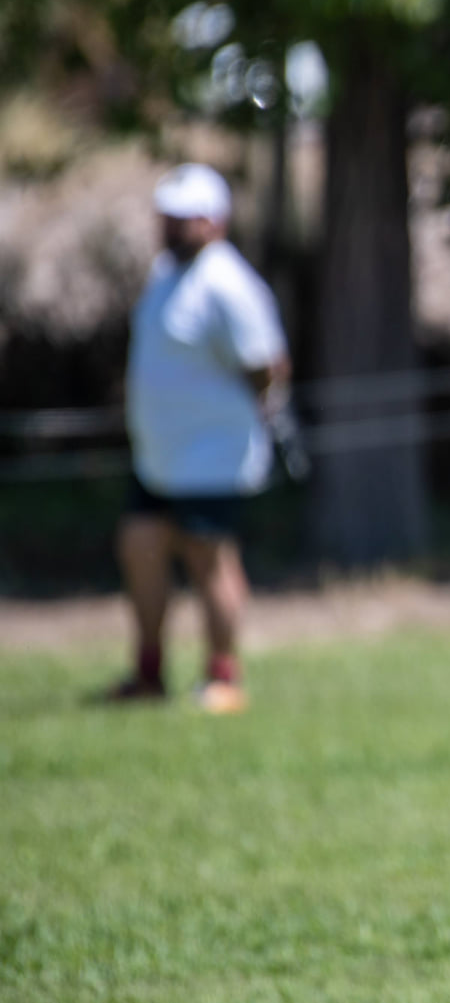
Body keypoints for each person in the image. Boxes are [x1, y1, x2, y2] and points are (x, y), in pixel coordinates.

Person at [104, 163, 291, 713]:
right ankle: (149, 673)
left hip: (210, 454)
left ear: (214, 222)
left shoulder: (228, 284)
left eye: (183, 218)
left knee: (209, 561)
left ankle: (223, 675)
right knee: (140, 547)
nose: (171, 227)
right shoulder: (165, 274)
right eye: (167, 217)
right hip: (157, 454)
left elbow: (265, 364)